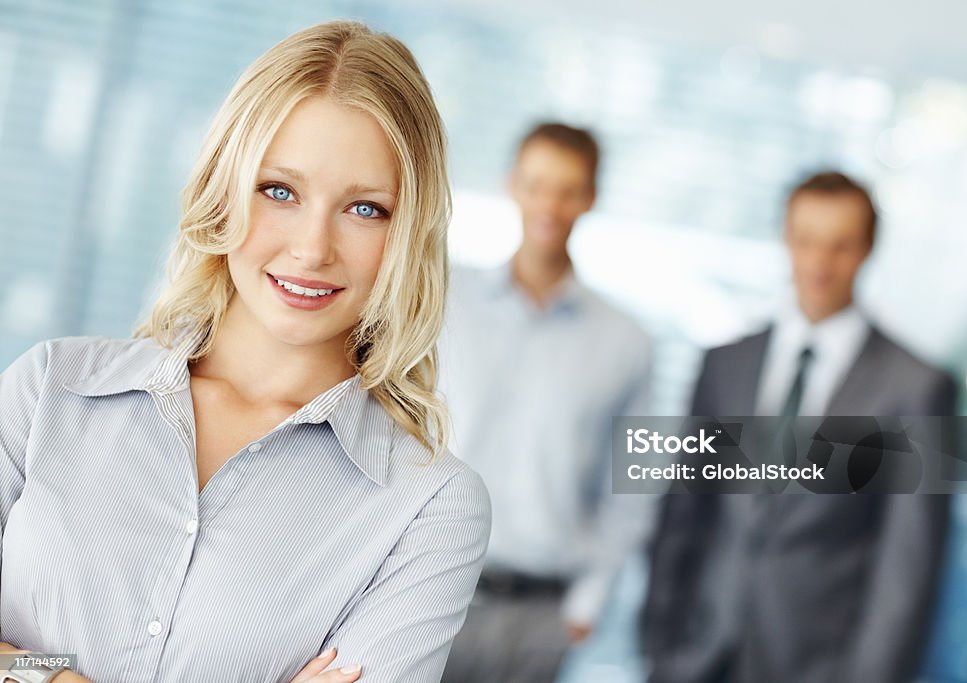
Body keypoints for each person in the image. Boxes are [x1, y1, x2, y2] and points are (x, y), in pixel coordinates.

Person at [0, 20, 490, 683]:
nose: (313, 247)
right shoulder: (51, 387)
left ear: (410, 231)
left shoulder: (429, 506)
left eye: (366, 208)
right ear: (223, 188)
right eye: (279, 190)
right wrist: (54, 674)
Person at [643, 171, 956, 683]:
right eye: (806, 240)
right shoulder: (726, 364)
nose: (819, 263)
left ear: (868, 249)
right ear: (785, 238)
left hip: (818, 667)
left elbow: (908, 569)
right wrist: (658, 643)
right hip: (694, 655)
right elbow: (684, 512)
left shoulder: (917, 389)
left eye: (841, 245)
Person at [439, 123, 654, 683]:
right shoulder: (442, 299)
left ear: (590, 198)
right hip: (426, 584)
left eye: (567, 189)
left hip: (539, 614)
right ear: (511, 185)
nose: (549, 205)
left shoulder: (625, 342)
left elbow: (629, 487)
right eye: (536, 184)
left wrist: (591, 600)